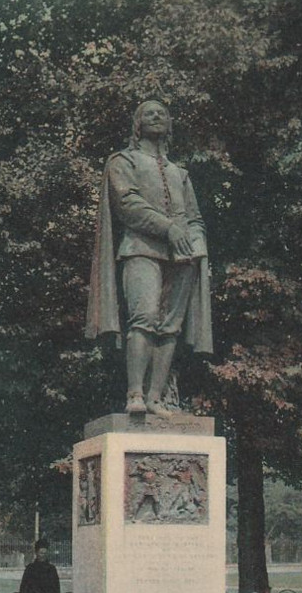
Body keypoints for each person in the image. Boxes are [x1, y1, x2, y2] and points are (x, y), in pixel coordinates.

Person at [86, 99, 213, 416]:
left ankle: (155, 398)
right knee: (143, 318)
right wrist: (169, 228)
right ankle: (135, 395)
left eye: (162, 113)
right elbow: (128, 206)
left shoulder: (179, 173)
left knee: (170, 327)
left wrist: (196, 242)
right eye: (148, 113)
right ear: (137, 124)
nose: (156, 116)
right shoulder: (123, 161)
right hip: (142, 248)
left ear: (169, 124)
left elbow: (195, 218)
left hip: (183, 257)